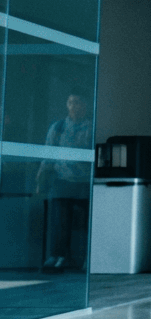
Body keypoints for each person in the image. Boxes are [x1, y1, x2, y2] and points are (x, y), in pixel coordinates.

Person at [37, 90, 94, 271]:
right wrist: (41, 179)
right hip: (62, 180)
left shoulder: (91, 128)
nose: (73, 106)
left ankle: (86, 257)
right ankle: (59, 256)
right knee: (60, 220)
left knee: (86, 222)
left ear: (85, 105)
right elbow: (48, 155)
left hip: (84, 182)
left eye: (77, 102)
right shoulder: (58, 127)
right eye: (70, 102)